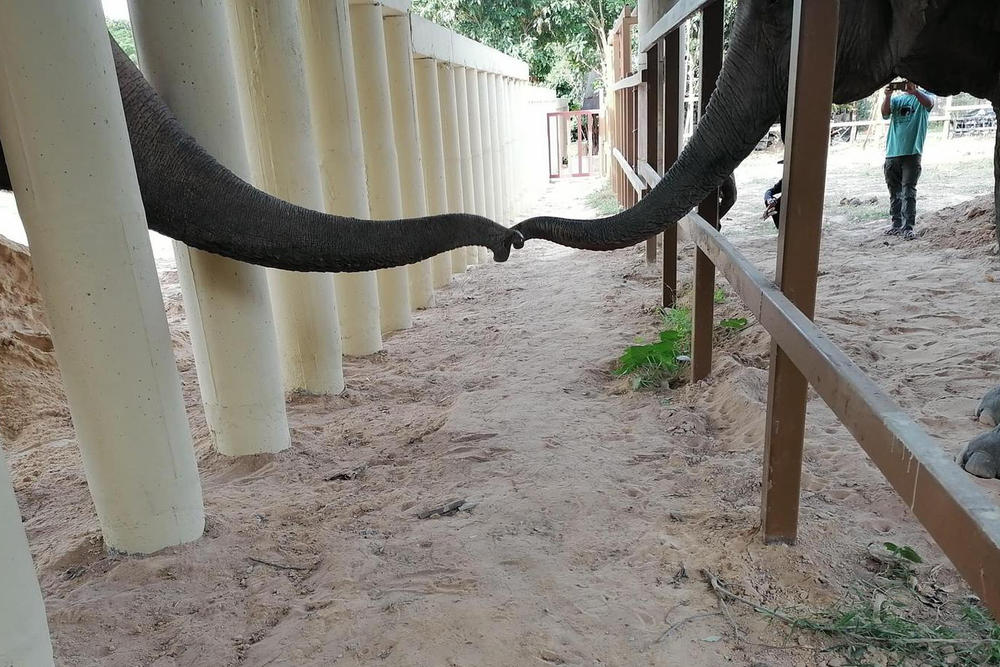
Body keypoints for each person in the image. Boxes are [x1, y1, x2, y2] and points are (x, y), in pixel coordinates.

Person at [881, 80, 935, 240]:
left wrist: (915, 92)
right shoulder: (896, 100)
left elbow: (930, 103)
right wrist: (888, 96)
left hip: (912, 153)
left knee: (908, 191)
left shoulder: (924, 98)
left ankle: (908, 227)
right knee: (894, 192)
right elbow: (885, 113)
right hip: (892, 152)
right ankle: (896, 224)